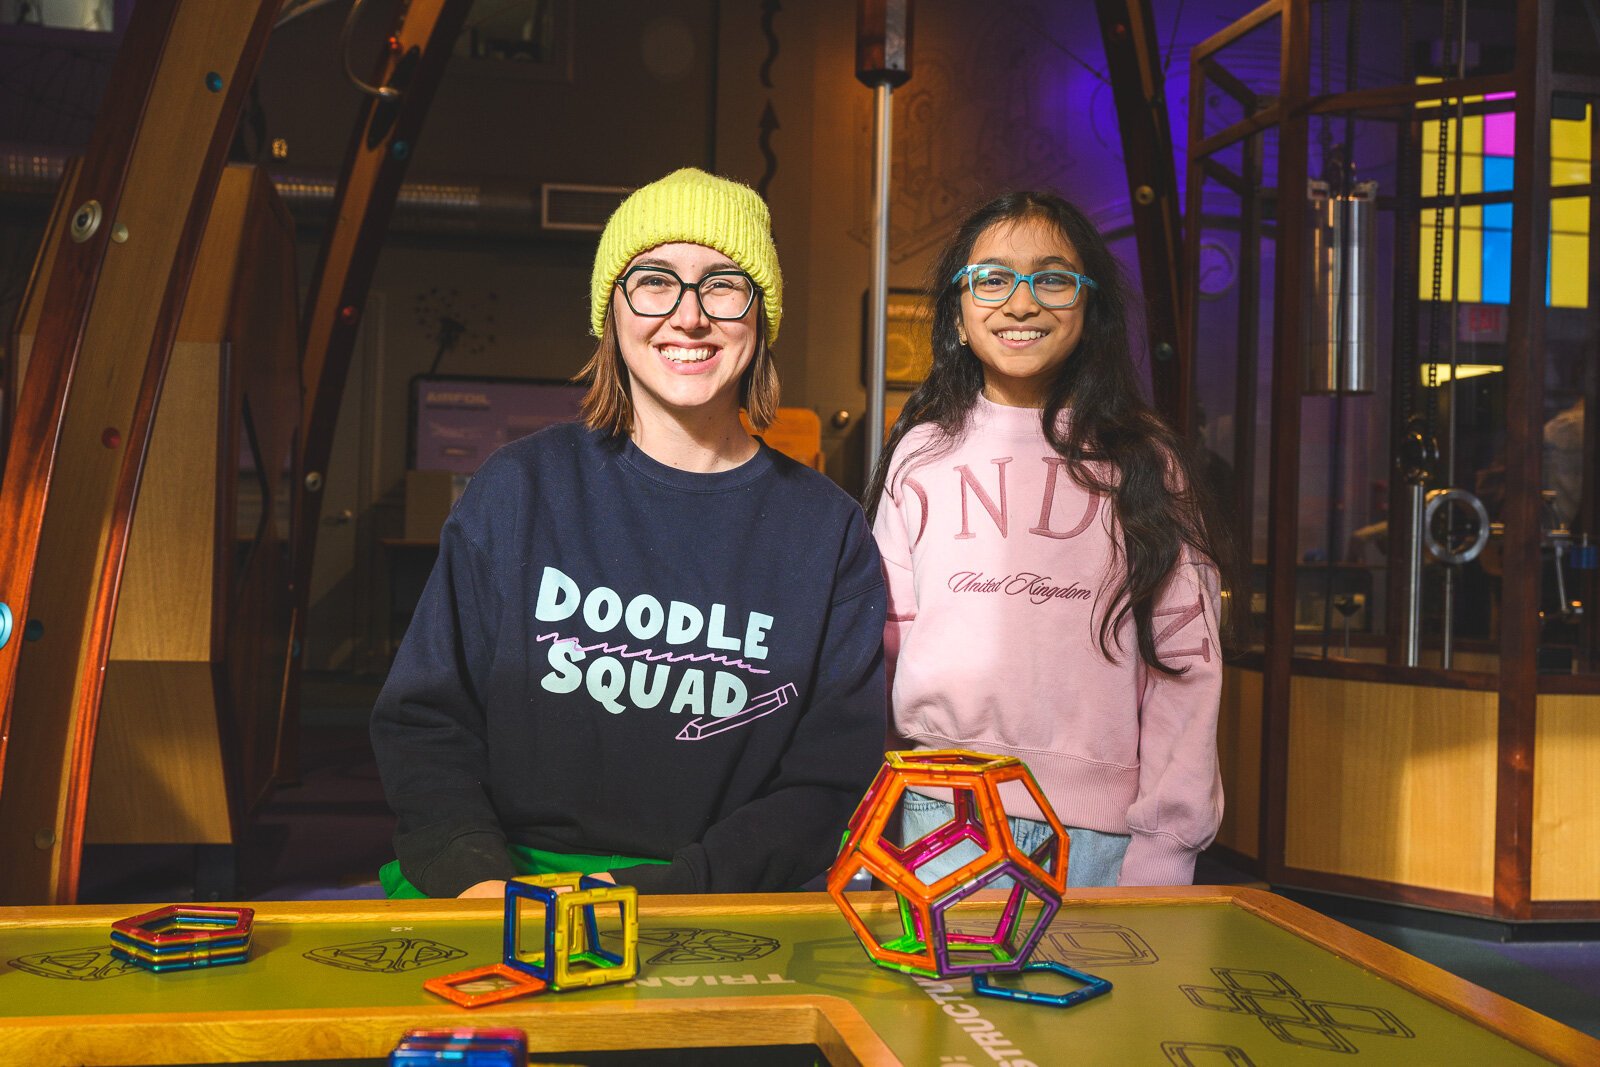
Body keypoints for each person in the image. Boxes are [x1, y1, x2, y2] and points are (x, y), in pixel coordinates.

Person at [372, 168, 887, 898]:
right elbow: (426, 718)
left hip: (722, 901)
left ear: (761, 316)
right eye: (654, 281)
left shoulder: (828, 531)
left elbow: (827, 782)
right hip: (502, 887)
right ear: (610, 311)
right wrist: (476, 880)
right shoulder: (519, 488)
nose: (688, 316)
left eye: (721, 283)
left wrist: (669, 892)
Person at [863, 191, 1230, 888]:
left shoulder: (1146, 462)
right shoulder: (920, 453)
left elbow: (1187, 664)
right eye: (993, 278)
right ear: (958, 312)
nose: (1022, 302)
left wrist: (1166, 848)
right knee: (942, 1003)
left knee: (1096, 1000)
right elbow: (881, 647)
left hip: (1101, 840)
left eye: (1053, 278)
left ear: (1090, 310)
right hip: (937, 819)